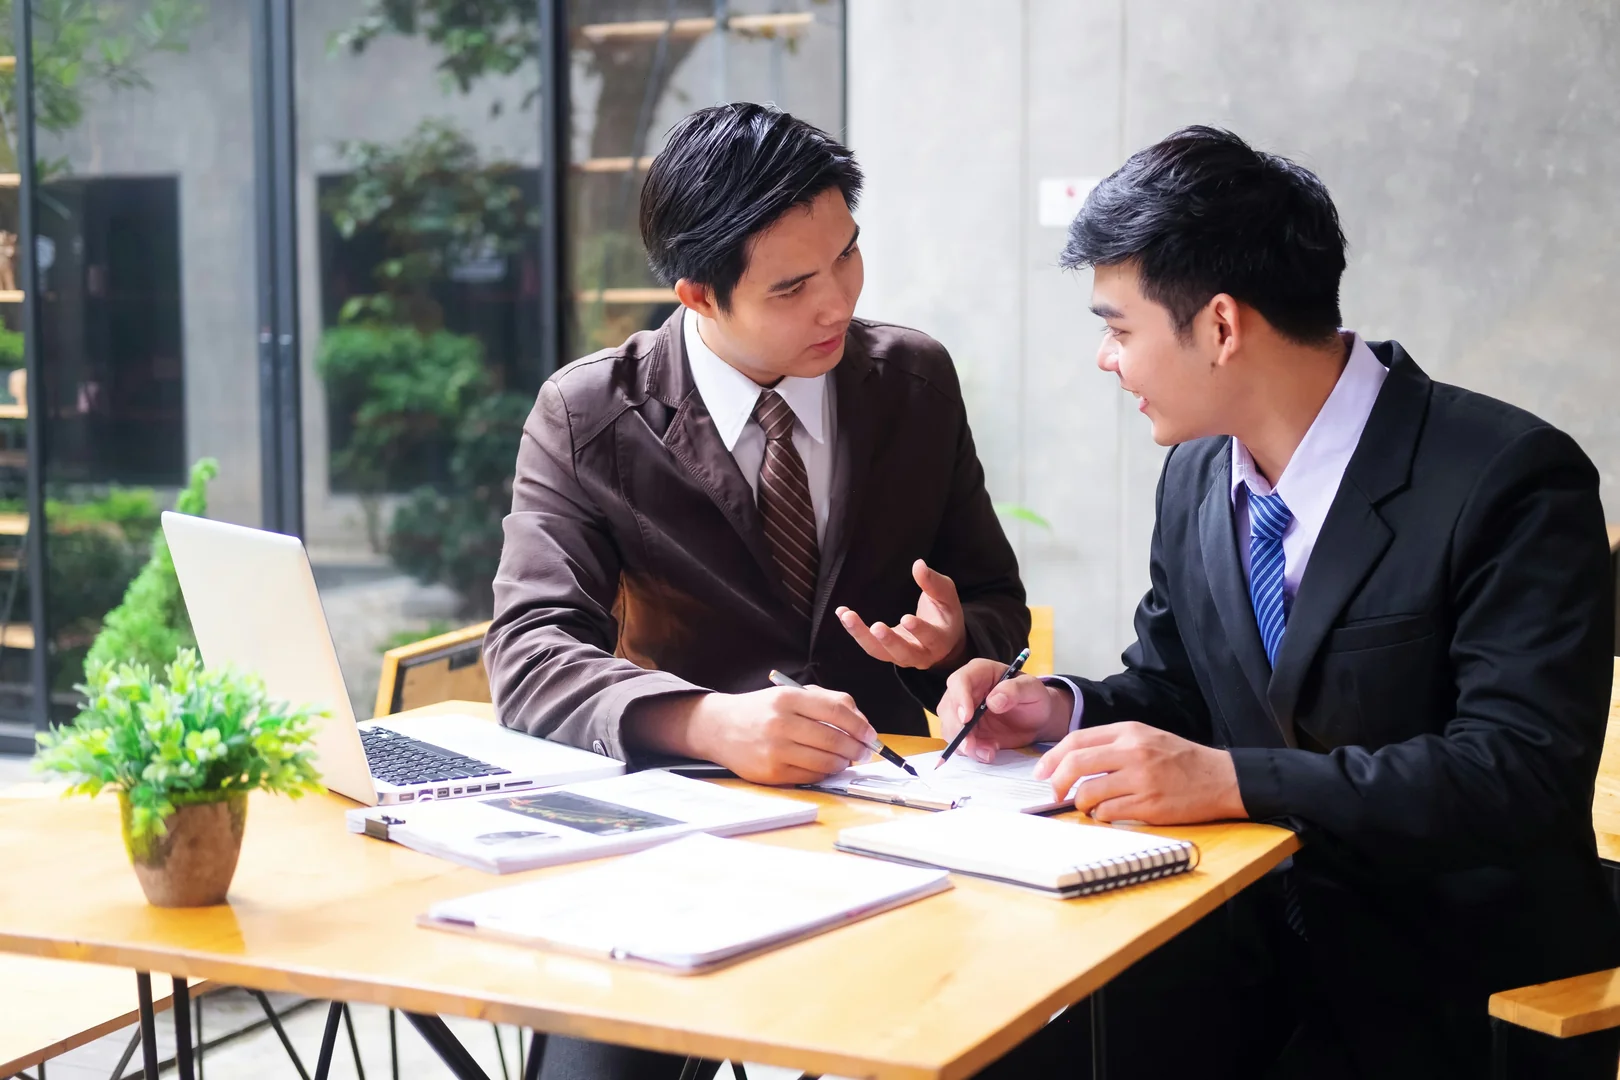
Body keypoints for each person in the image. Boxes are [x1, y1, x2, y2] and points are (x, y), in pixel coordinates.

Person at [940, 126, 1620, 1078]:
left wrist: (1234, 783)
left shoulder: (1509, 478)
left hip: (1458, 1000)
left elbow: (1515, 774)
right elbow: (1180, 689)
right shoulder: (1196, 476)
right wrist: (1056, 708)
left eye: (1119, 330)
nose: (1105, 360)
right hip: (1234, 960)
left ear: (1221, 326)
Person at [484, 102, 1028, 1079]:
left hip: (889, 823)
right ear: (698, 294)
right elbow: (528, 653)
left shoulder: (911, 380)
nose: (837, 303)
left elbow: (992, 596)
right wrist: (709, 724)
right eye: (792, 287)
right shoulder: (591, 414)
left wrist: (952, 639)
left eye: (847, 257)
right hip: (676, 841)